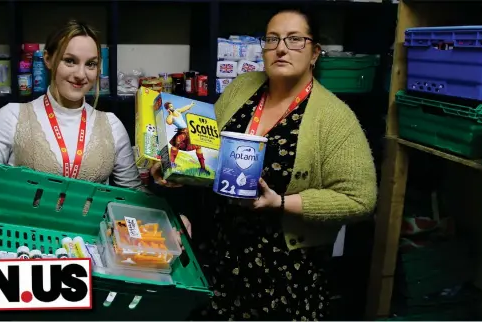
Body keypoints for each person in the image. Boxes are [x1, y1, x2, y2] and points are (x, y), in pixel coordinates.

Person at [152, 8, 377, 321]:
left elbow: (360, 200)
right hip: (217, 256)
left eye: (295, 39)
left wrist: (282, 202)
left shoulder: (335, 118)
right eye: (272, 39)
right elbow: (207, 149)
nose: (281, 48)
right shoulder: (242, 87)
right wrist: (179, 169)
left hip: (284, 275)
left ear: (315, 53)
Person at [0, 20, 145, 216]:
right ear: (48, 59)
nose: (80, 74)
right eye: (69, 60)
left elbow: (133, 194)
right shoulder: (12, 116)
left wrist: (171, 218)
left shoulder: (111, 126)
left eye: (91, 64)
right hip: (27, 242)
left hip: (92, 243)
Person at [163, 101, 209, 173]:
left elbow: (183, 108)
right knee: (175, 146)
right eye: (170, 107)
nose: (172, 107)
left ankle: (203, 168)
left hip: (188, 131)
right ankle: (171, 163)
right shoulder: (170, 116)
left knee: (198, 146)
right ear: (168, 109)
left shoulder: (177, 111)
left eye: (172, 106)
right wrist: (170, 114)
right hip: (181, 132)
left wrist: (190, 105)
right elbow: (168, 122)